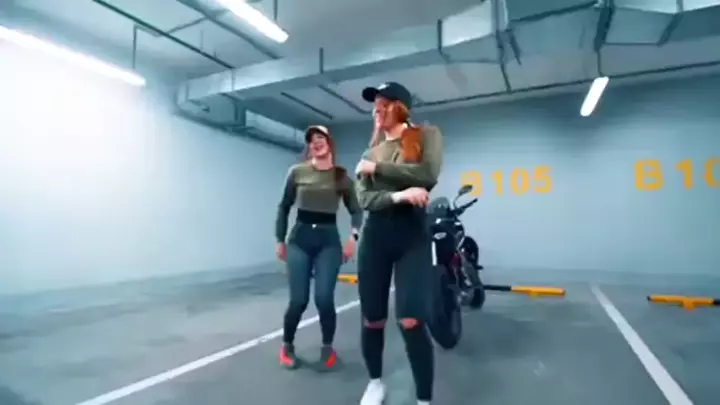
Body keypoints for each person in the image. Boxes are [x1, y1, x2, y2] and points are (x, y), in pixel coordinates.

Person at [353, 82, 444, 405]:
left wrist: (377, 170)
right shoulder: (369, 152)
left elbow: (427, 174)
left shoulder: (426, 135)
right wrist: (400, 195)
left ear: (400, 107)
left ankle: (423, 399)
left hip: (411, 236)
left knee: (411, 320)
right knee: (372, 318)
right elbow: (365, 199)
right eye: (374, 104)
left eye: (383, 103)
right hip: (375, 236)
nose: (376, 109)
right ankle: (375, 383)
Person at [275, 125, 363, 371]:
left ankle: (327, 348)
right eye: (312, 139)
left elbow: (356, 211)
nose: (316, 142)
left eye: (320, 137)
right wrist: (280, 239)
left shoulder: (341, 177)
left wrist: (353, 238)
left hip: (328, 243)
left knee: (324, 299)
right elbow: (284, 206)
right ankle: (287, 346)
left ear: (329, 142)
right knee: (298, 300)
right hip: (299, 241)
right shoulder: (297, 172)